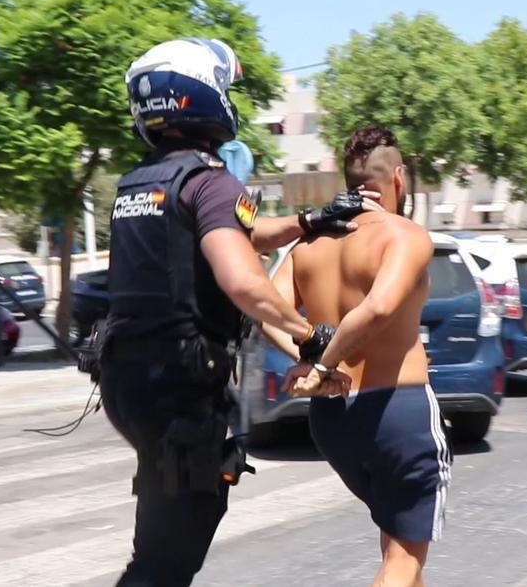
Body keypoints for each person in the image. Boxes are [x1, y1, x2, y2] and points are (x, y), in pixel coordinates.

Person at [99, 37, 378, 587]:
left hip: (129, 381)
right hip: (182, 385)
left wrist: (309, 220)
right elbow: (243, 279)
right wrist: (310, 334)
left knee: (161, 534)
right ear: (197, 95)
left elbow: (240, 233)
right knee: (166, 558)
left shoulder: (141, 183)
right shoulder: (208, 180)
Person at [262, 126, 450, 587]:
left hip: (333, 422)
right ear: (399, 179)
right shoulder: (404, 236)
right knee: (404, 561)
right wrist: (324, 362)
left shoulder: (308, 246)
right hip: (399, 414)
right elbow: (380, 307)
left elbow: (263, 308)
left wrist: (307, 357)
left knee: (399, 549)